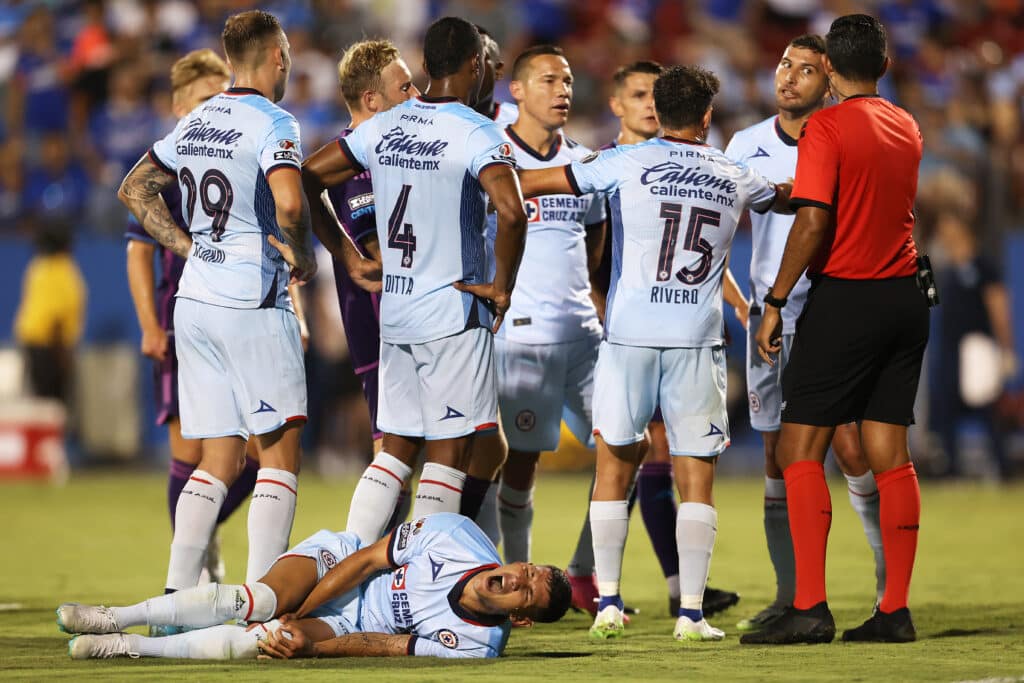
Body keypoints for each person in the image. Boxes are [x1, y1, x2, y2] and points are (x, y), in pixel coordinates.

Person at [520, 65, 791, 642]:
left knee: (614, 468)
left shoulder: (621, 162)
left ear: (659, 112)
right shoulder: (735, 172)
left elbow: (535, 183)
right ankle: (691, 613)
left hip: (629, 338)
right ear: (707, 116)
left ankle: (608, 604)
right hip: (697, 339)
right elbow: (792, 199)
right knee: (696, 475)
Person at [117, 10, 317, 593]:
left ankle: (177, 595)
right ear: (278, 56)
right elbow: (290, 202)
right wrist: (303, 254)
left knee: (216, 462)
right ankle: (260, 602)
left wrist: (190, 247)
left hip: (195, 301)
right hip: (252, 301)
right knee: (279, 459)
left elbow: (134, 187)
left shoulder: (196, 120)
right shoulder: (275, 121)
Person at [301, 17, 527, 527]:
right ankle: (425, 565)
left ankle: (352, 551)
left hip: (397, 313)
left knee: (395, 451)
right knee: (449, 455)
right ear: (475, 65)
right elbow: (512, 214)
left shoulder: (382, 127)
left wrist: (344, 254)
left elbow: (306, 177)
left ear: (425, 64)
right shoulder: (477, 130)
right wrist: (502, 287)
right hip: (452, 312)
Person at [746, 14, 928, 645]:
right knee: (890, 454)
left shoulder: (826, 126)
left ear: (827, 68)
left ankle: (808, 608)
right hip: (905, 297)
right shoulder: (906, 123)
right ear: (885, 64)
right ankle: (894, 610)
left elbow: (814, 220)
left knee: (798, 449)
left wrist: (775, 300)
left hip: (847, 297)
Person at [568, 60, 741, 621]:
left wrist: (739, 302)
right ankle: (608, 583)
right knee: (638, 456)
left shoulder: (626, 165)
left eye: (653, 94)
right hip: (630, 328)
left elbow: (701, 251)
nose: (646, 103)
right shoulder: (609, 165)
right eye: (637, 93)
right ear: (617, 105)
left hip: (648, 329)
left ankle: (655, 590)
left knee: (645, 453)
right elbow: (586, 250)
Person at [724, 35, 886, 632]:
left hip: (827, 310)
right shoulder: (745, 144)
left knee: (849, 445)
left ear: (830, 79)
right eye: (784, 65)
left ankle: (886, 588)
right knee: (775, 453)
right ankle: (791, 596)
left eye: (807, 70)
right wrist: (739, 302)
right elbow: (718, 230)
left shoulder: (842, 136)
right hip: (767, 317)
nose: (789, 77)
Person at [58, 513, 572, 660]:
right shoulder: (458, 536)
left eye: (526, 593)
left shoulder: (478, 646)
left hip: (353, 624)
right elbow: (367, 559)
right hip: (340, 566)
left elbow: (390, 645)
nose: (516, 578)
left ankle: (126, 646)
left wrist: (310, 645)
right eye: (527, 570)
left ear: (519, 618)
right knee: (261, 601)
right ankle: (115, 615)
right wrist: (302, 607)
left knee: (265, 642)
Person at [124, 48, 256, 592]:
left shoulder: (243, 154)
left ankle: (202, 533)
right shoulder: (167, 165)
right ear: (179, 106)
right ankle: (191, 568)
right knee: (188, 451)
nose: (215, 107)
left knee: (256, 452)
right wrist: (149, 326)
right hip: (181, 322)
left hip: (245, 314)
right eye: (204, 99)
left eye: (221, 96)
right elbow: (138, 251)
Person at [484, 45, 605, 567]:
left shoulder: (584, 160)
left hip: (584, 334)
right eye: (549, 81)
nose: (563, 91)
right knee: (519, 461)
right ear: (516, 91)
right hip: (521, 334)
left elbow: (595, 236)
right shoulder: (490, 156)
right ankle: (518, 572)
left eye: (568, 81)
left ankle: (587, 573)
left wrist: (587, 294)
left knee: (628, 447)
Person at [307, 39, 418, 542]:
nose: (416, 96)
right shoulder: (356, 159)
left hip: (405, 319)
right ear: (372, 99)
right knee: (395, 450)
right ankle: (362, 557)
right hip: (383, 320)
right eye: (405, 87)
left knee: (423, 450)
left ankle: (391, 559)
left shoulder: (398, 150)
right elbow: (376, 251)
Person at [932, 210, 1017, 480]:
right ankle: (950, 467)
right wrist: (921, 259)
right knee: (945, 406)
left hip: (977, 347)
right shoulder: (942, 267)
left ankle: (1002, 466)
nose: (945, 235)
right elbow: (928, 297)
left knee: (986, 405)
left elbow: (998, 307)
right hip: (949, 347)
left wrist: (1006, 349)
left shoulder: (983, 265)